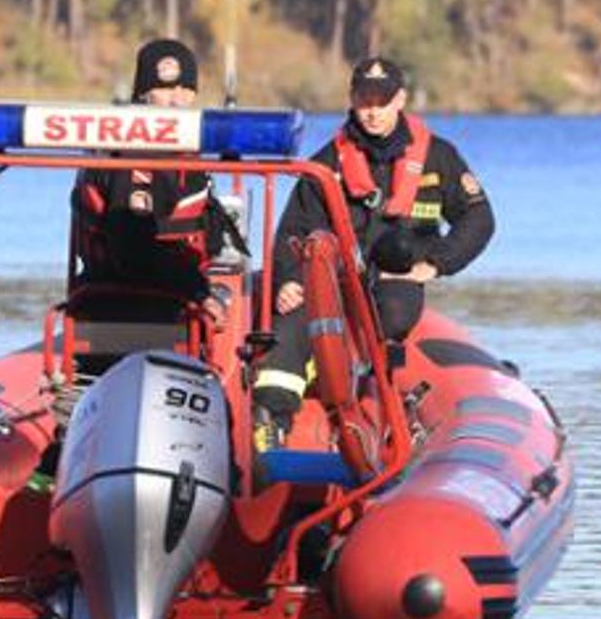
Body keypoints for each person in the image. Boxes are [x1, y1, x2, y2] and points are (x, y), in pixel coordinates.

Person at [251, 57, 494, 446]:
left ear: (400, 100)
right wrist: (290, 281)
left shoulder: (438, 158)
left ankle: (374, 402)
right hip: (333, 285)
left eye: (382, 101)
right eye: (365, 101)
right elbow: (292, 233)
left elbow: (478, 219)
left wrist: (434, 265)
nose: (373, 112)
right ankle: (268, 427)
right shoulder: (326, 165)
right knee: (287, 332)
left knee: (393, 314)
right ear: (352, 99)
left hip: (394, 281)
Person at [68, 38, 225, 320]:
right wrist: (199, 292)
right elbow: (134, 252)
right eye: (165, 89)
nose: (177, 99)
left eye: (185, 89)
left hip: (172, 289)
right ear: (143, 94)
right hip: (141, 303)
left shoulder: (183, 151)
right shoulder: (134, 152)